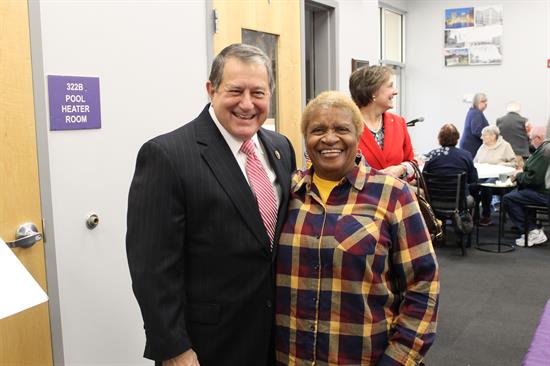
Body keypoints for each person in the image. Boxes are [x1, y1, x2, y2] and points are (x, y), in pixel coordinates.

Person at [126, 43, 296, 366]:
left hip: (276, 340)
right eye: (236, 91)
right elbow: (152, 268)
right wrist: (173, 348)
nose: (247, 104)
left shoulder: (280, 148)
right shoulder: (168, 155)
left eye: (258, 93)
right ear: (211, 89)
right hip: (207, 347)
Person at [275, 91, 439, 365]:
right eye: (318, 130)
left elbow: (423, 286)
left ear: (358, 135)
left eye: (341, 129)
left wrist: (399, 358)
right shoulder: (287, 193)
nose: (329, 138)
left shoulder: (393, 195)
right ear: (306, 138)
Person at [349, 65, 415, 179]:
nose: (395, 92)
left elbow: (412, 162)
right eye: (390, 86)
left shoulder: (399, 123)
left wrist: (402, 168)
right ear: (373, 91)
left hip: (397, 195)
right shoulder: (347, 126)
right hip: (358, 196)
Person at [503, 126, 549, 247]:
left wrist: (519, 176)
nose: (531, 142)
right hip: (543, 191)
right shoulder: (544, 149)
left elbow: (534, 179)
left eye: (531, 139)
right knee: (518, 194)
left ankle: (531, 231)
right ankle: (532, 227)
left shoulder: (545, 151)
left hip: (543, 193)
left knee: (509, 198)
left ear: (538, 138)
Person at [471, 125, 516, 226]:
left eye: (484, 135)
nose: (481, 137)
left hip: (499, 177)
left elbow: (514, 163)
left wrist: (502, 165)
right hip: (483, 175)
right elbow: (475, 161)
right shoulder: (483, 146)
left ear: (493, 136)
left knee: (487, 186)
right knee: (472, 185)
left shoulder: (505, 146)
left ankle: (486, 216)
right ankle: (474, 215)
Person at [496, 101, 531, 169]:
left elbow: (497, 136)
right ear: (518, 110)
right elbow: (529, 136)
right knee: (519, 173)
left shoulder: (499, 120)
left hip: (504, 153)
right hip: (520, 154)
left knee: (506, 174)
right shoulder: (524, 121)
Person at [459, 92, 489, 157]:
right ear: (476, 102)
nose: (486, 103)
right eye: (483, 101)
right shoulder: (476, 113)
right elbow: (477, 131)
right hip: (471, 147)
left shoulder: (473, 112)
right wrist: (489, 138)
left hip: (469, 146)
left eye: (486, 101)